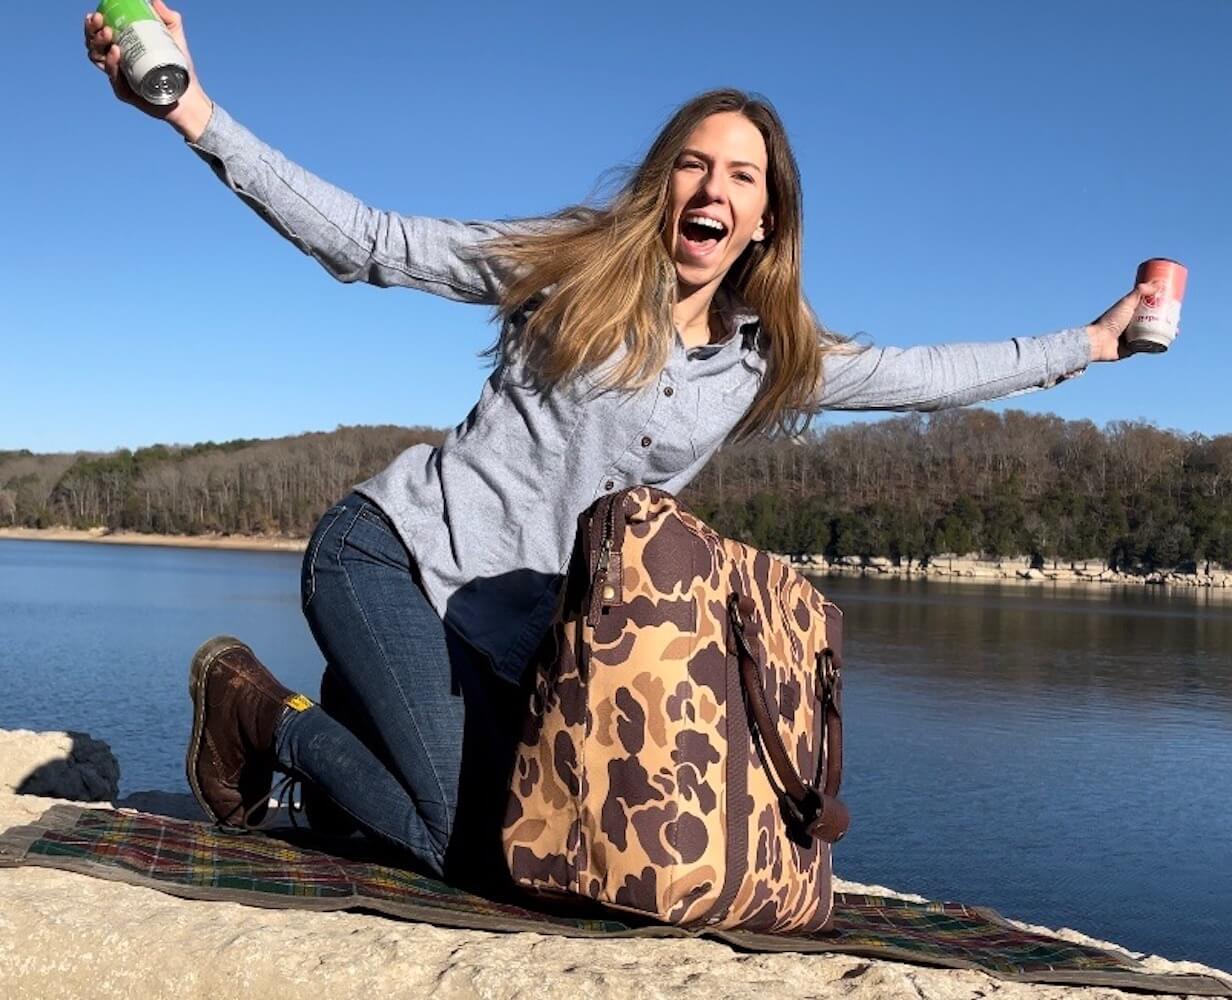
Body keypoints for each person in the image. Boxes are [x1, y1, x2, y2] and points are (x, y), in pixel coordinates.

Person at [84, 3, 1154, 888]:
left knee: (561, 839)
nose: (712, 189)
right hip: (388, 559)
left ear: (765, 222)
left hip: (504, 644)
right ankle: (259, 710)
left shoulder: (766, 360)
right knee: (477, 847)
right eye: (693, 165)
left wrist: (1092, 344)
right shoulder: (573, 266)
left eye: (740, 177)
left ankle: (345, 751)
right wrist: (195, 113)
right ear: (663, 185)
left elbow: (926, 373)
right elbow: (370, 243)